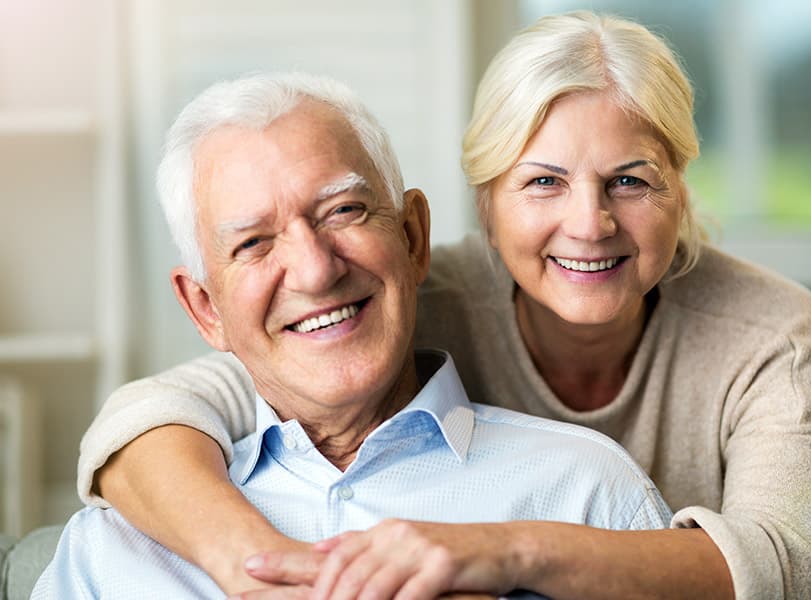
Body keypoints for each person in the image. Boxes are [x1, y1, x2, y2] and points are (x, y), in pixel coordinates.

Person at [77, 11, 811, 600]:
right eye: (542, 181)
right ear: (485, 201)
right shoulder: (389, 295)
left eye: (632, 180)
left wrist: (505, 555)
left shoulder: (766, 333)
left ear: (680, 186)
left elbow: (787, 564)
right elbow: (165, 410)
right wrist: (263, 571)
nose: (589, 223)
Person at [32, 71, 672, 599]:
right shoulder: (113, 552)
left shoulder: (585, 494)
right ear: (205, 310)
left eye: (343, 211)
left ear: (414, 238)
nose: (315, 269)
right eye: (254, 244)